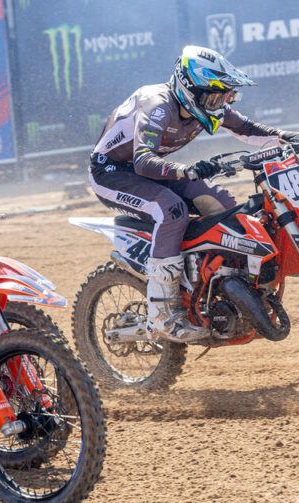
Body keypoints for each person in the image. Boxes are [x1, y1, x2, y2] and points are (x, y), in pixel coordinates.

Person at [90, 45, 299, 342]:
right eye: (214, 96)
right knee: (171, 210)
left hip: (151, 169)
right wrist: (185, 170)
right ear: (190, 89)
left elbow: (246, 128)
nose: (220, 104)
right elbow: (143, 161)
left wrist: (285, 137)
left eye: (225, 96)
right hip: (111, 173)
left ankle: (218, 287)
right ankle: (163, 314)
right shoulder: (157, 105)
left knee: (222, 204)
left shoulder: (207, 106)